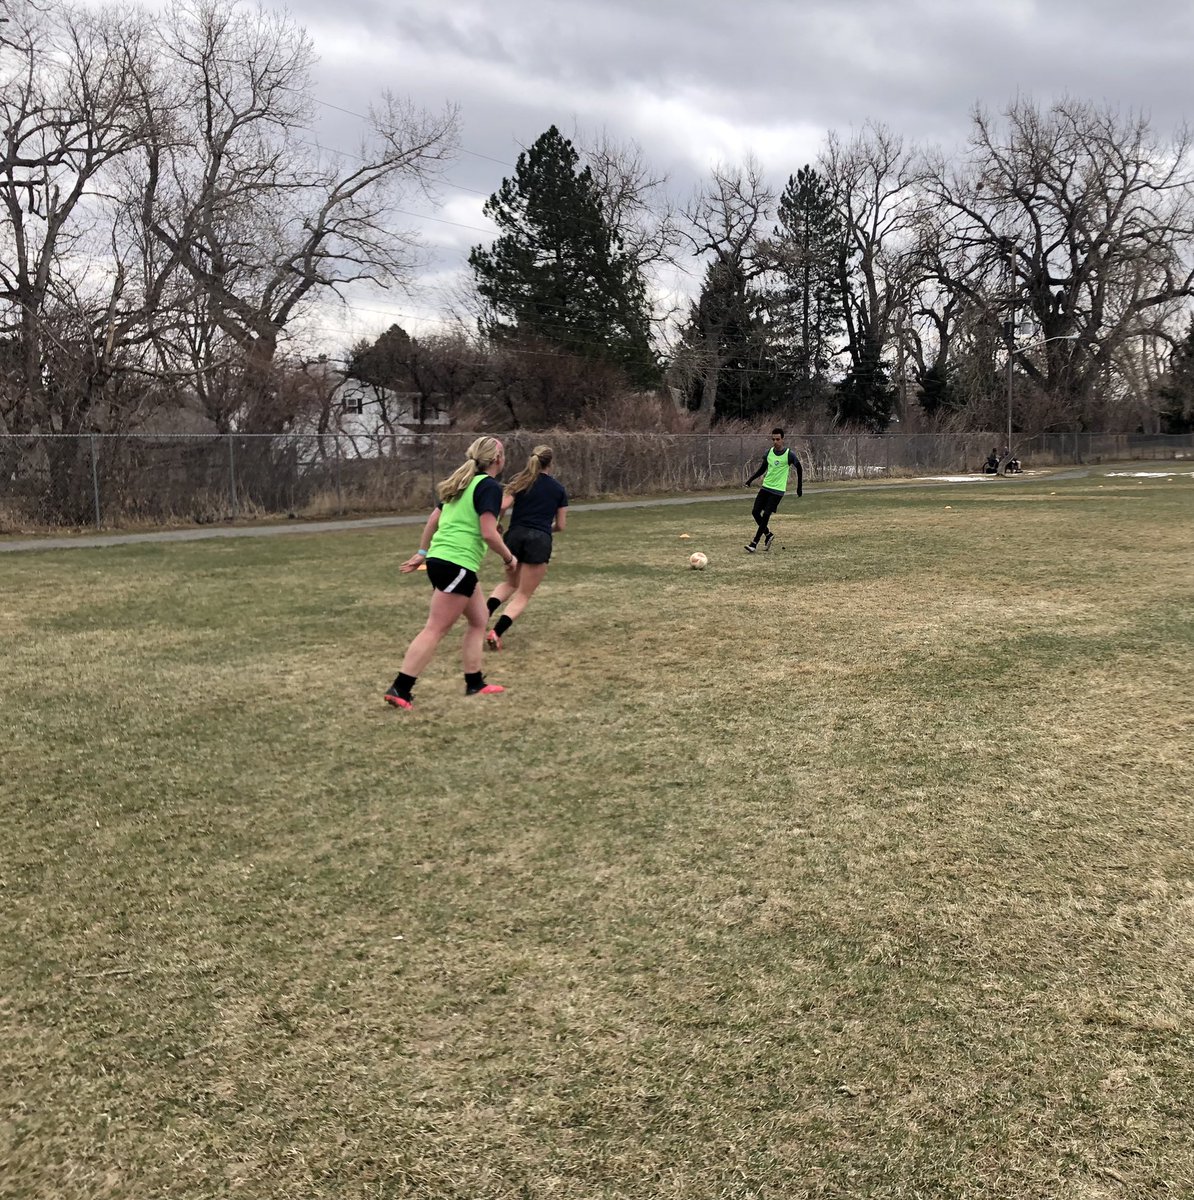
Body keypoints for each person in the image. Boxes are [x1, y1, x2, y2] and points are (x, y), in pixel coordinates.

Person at [384, 436, 518, 710]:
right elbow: (488, 533)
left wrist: (423, 553)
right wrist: (509, 558)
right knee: (435, 628)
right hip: (456, 563)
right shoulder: (488, 486)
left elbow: (434, 519)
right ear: (497, 460)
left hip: (444, 562)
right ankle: (401, 688)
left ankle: (474, 683)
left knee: (479, 619)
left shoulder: (463, 482)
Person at [484, 444, 568, 650]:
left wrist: (496, 524)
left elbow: (503, 506)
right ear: (551, 463)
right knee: (523, 594)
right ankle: (496, 632)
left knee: (509, 584)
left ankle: (481, 617)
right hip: (539, 539)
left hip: (514, 536)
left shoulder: (521, 481)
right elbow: (561, 525)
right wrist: (546, 529)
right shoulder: (558, 489)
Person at [743, 427, 803, 552]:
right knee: (755, 512)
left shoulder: (789, 455)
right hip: (766, 487)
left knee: (766, 515)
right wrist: (750, 480)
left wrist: (799, 487)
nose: (775, 441)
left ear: (782, 439)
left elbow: (799, 468)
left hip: (777, 491)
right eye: (773, 439)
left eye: (778, 439)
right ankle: (768, 534)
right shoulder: (768, 453)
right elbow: (762, 469)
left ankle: (754, 543)